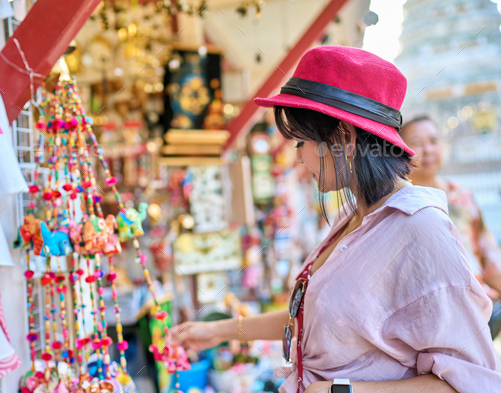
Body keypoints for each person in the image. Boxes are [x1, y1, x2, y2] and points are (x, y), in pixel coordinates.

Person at [170, 46, 501, 393]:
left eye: (301, 142)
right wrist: (217, 332)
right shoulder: (353, 216)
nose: (298, 158)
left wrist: (338, 390)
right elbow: (315, 319)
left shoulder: (420, 229)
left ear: (343, 137)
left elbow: (472, 381)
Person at [401, 115, 501, 338]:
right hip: (432, 322)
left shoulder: (460, 196)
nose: (428, 150)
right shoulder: (399, 205)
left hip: (482, 310)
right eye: (417, 143)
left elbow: (489, 258)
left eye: (434, 141)